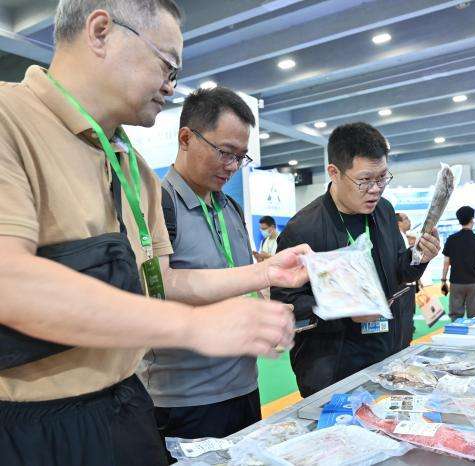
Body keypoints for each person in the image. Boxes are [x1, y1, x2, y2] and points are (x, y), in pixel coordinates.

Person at [0, 2, 308, 464]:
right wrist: (193, 326)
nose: (171, 85)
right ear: (100, 31)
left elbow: (162, 282)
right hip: (31, 425)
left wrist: (265, 274)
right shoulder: (9, 120)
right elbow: (10, 282)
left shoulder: (134, 169)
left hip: (125, 406)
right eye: (167, 65)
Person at [271, 122, 441, 397]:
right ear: (334, 173)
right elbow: (286, 303)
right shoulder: (303, 230)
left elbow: (398, 270)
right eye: (364, 180)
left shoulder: (383, 211)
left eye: (382, 178)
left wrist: (420, 256)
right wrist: (345, 307)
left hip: (388, 356)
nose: (375, 189)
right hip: (332, 368)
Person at [141, 87, 264, 440]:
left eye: (240, 157)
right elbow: (153, 292)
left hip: (244, 388)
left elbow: (241, 281)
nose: (232, 167)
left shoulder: (231, 208)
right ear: (186, 138)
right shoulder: (156, 206)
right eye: (225, 152)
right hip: (185, 400)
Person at [441, 206, 475, 321]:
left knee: (456, 316)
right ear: (472, 219)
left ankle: (456, 331)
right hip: (474, 282)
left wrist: (443, 280)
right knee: (474, 315)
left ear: (459, 220)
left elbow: (446, 262)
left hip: (456, 282)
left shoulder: (451, 239)